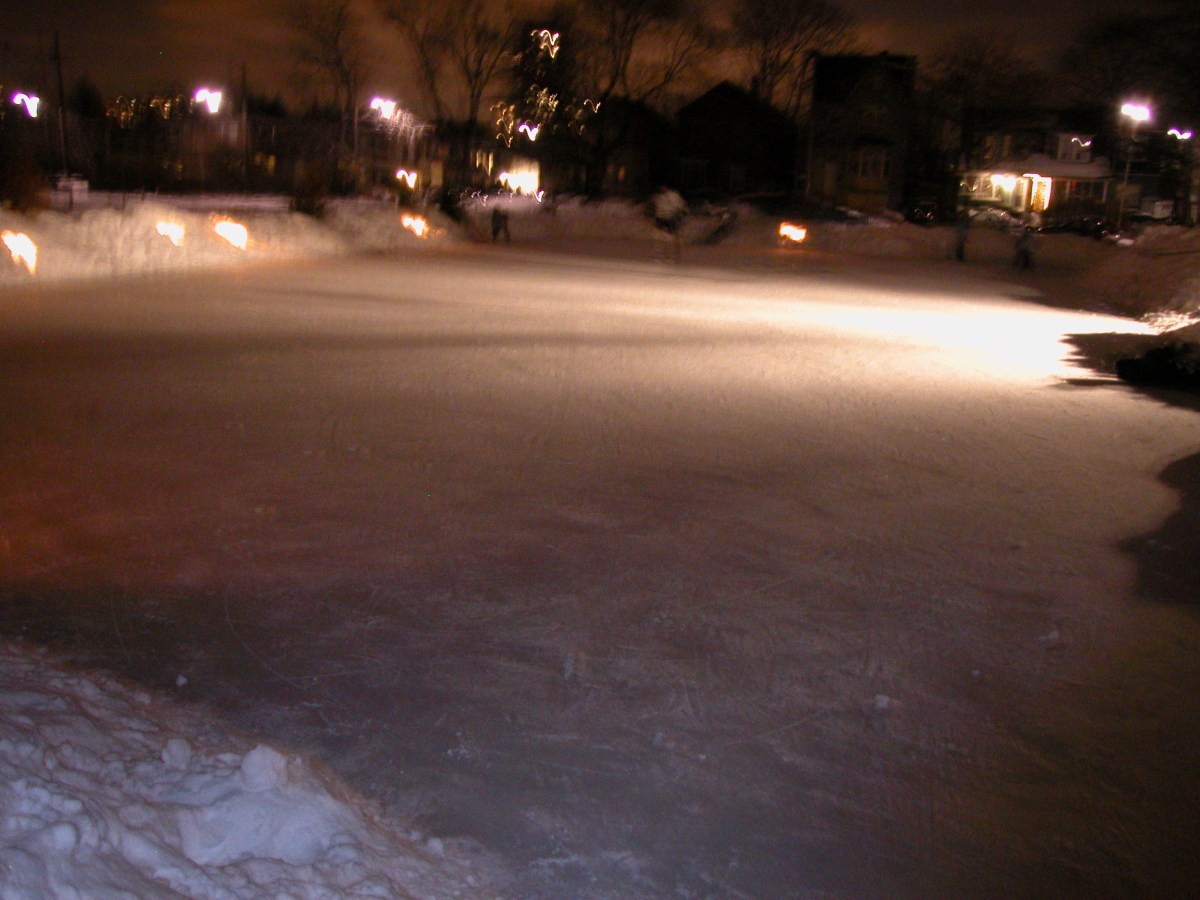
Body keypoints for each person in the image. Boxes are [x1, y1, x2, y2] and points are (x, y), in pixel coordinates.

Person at [651, 186, 687, 262]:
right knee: (658, 238)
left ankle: (671, 257)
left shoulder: (673, 196)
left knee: (669, 238)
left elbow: (679, 208)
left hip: (669, 219)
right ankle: (660, 255)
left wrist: (677, 217)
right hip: (661, 219)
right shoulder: (659, 197)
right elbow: (657, 208)